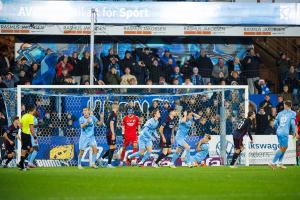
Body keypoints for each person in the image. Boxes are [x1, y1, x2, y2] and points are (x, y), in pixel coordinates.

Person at [269, 100, 297, 169]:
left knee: (284, 146)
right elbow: (292, 123)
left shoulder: (280, 113)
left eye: (284, 104)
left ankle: (280, 163)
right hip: (284, 132)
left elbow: (275, 123)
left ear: (286, 105)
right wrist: (294, 132)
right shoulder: (293, 113)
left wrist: (276, 127)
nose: (283, 105)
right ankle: (272, 162)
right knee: (283, 148)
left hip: (278, 131)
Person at [99, 103, 119, 168]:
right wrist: (113, 133)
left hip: (109, 132)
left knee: (113, 147)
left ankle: (101, 159)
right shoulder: (113, 114)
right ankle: (109, 164)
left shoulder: (112, 114)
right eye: (117, 106)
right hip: (110, 133)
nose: (118, 107)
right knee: (112, 147)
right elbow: (111, 123)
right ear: (115, 107)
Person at [18, 105, 38, 171]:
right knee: (25, 150)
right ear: (33, 110)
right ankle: (21, 164)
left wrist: (24, 129)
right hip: (26, 134)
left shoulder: (24, 115)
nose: (35, 110)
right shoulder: (31, 117)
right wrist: (35, 137)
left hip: (24, 134)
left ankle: (21, 163)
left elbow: (20, 125)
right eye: (35, 109)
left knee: (30, 149)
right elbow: (31, 128)